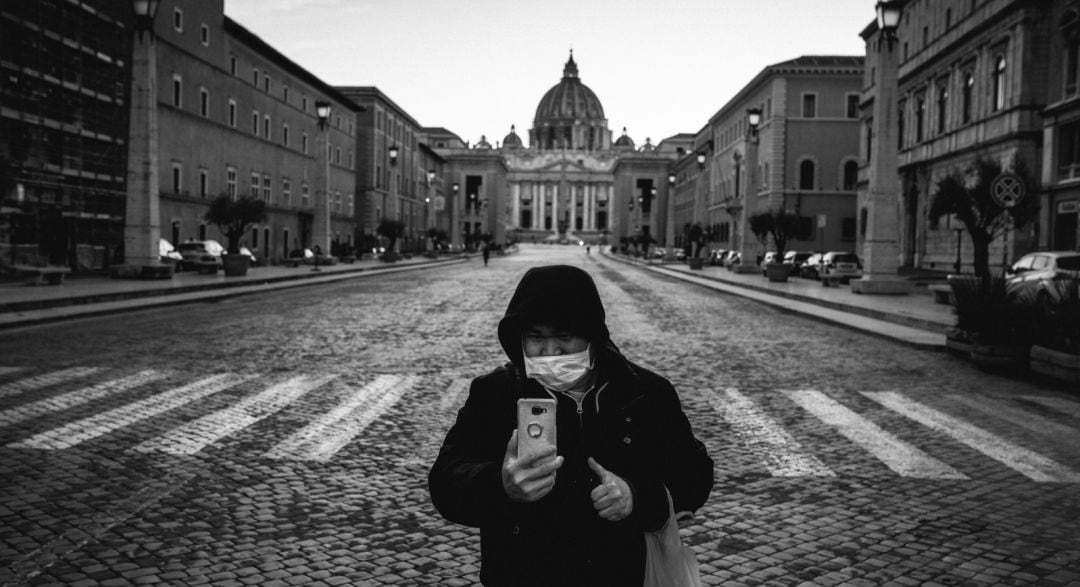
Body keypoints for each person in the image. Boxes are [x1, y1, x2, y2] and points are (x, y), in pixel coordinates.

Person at [429, 265, 713, 586]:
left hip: (620, 574)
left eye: (564, 336)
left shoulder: (645, 393)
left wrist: (636, 497)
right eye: (536, 337)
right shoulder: (495, 393)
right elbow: (444, 481)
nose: (550, 351)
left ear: (592, 335)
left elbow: (695, 475)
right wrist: (500, 486)